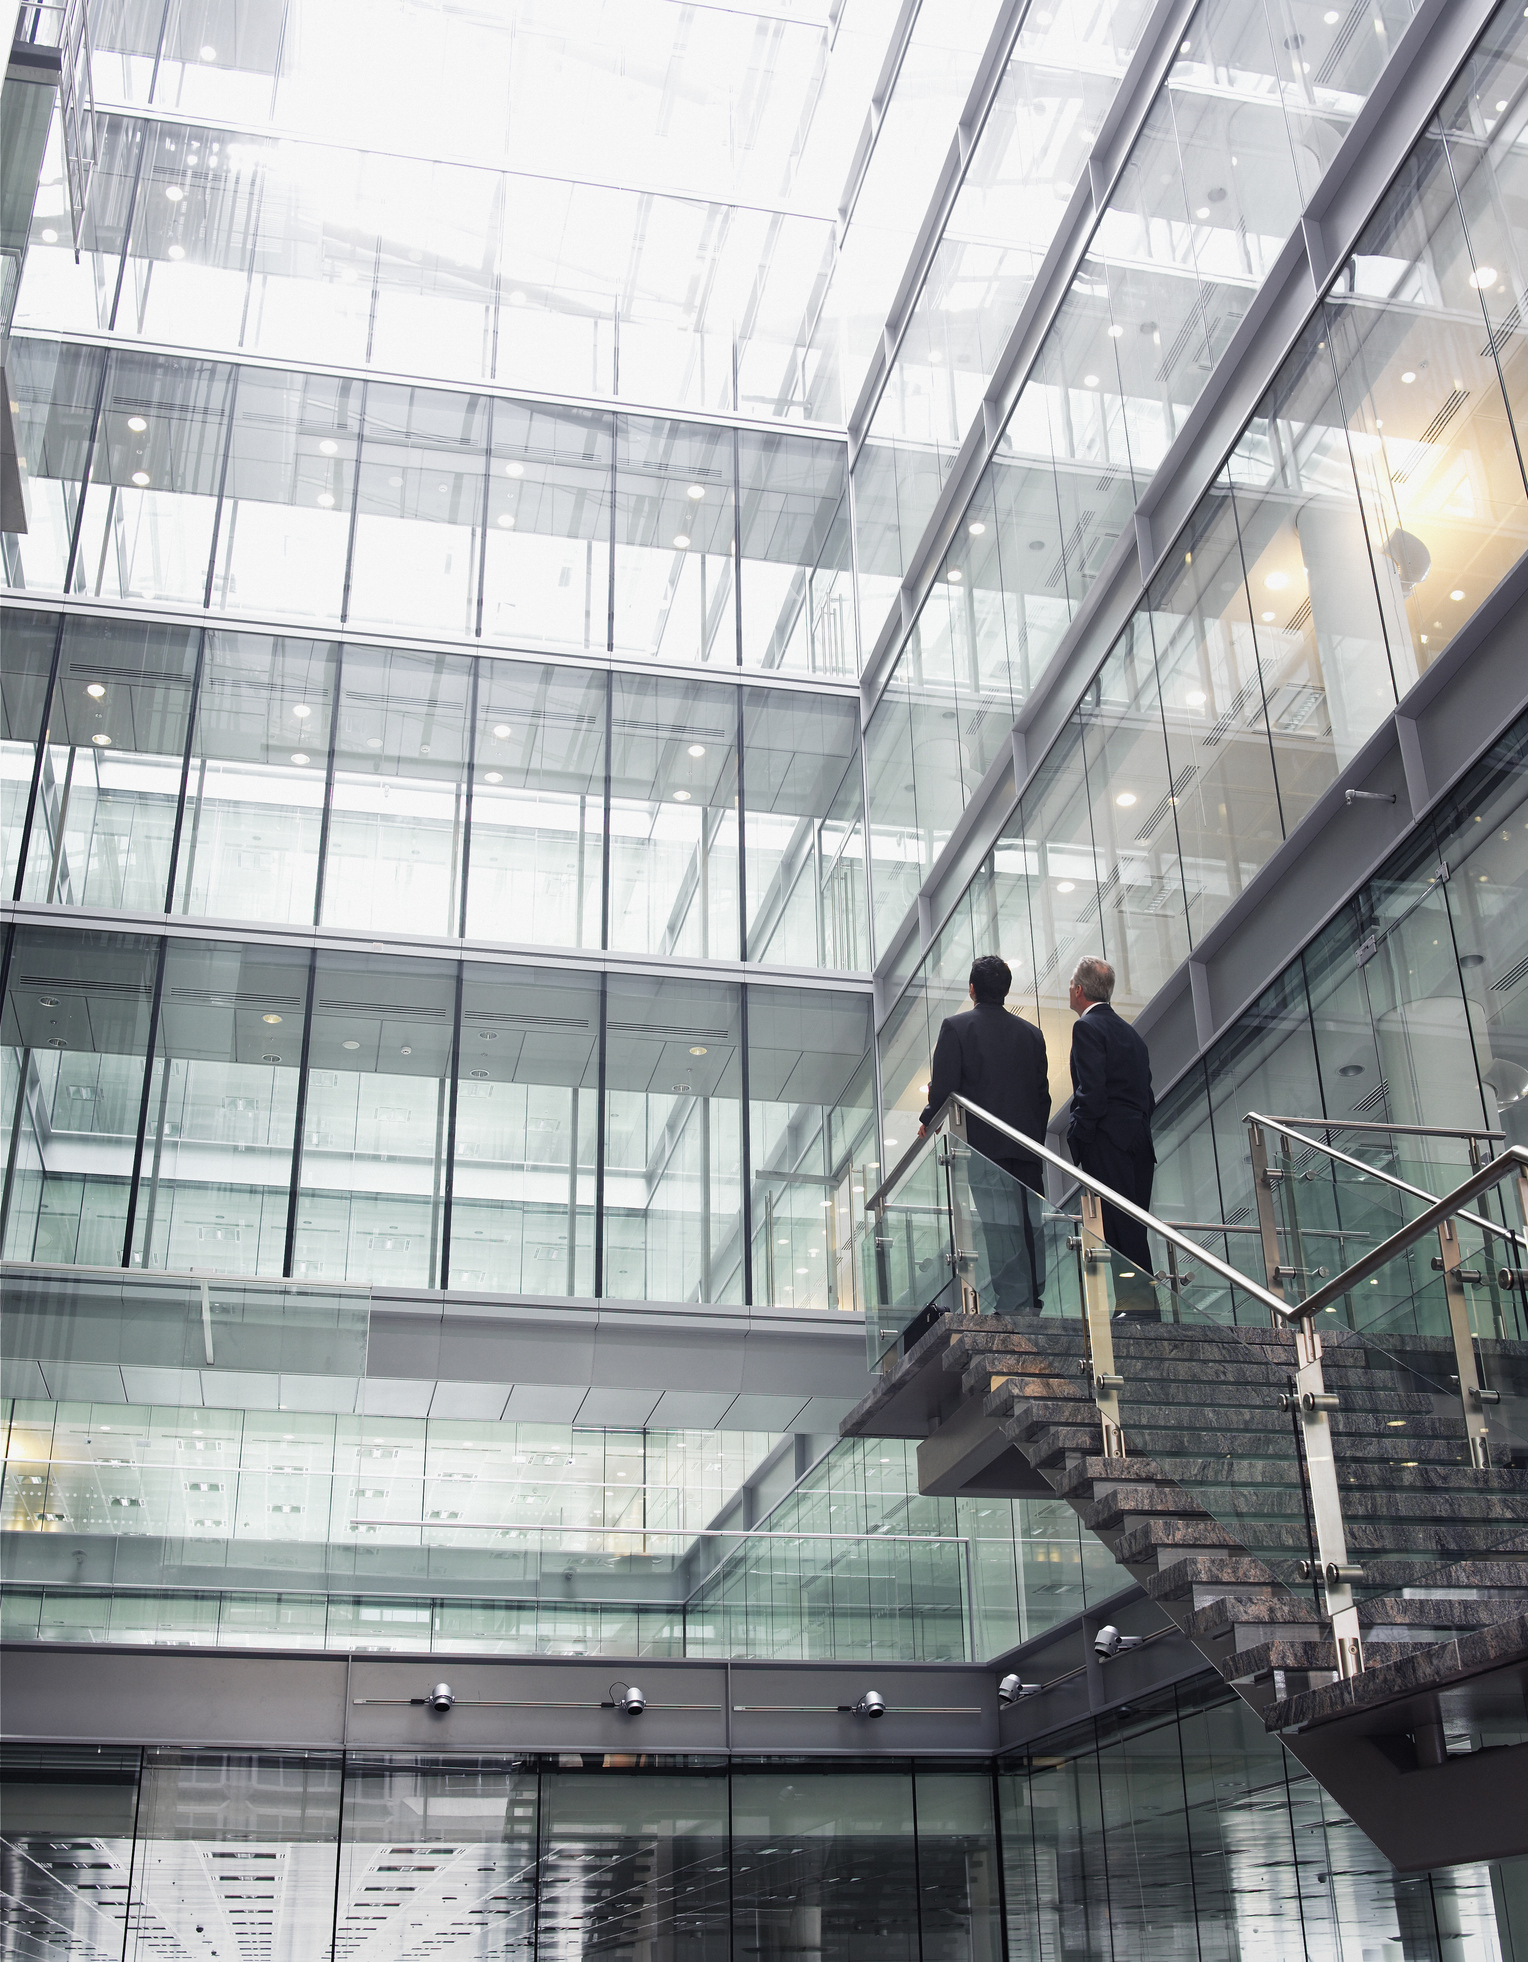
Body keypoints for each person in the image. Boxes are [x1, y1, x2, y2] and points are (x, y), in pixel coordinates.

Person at [918, 954, 1050, 1315]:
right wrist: (1034, 1139)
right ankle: (1032, 1300)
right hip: (1027, 1148)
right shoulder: (1032, 1034)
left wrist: (929, 1118)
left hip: (984, 1147)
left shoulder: (957, 1027)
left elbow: (944, 1087)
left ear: (972, 989)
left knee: (999, 1225)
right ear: (1005, 989)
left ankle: (1013, 1305)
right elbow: (1043, 1096)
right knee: (1030, 1224)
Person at [1065, 956, 1158, 1319]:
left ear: (1079, 990)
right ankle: (1140, 1307)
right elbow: (1147, 1095)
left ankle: (1137, 1309)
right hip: (1139, 1141)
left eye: (1070, 985)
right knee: (1132, 1225)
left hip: (1108, 1140)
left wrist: (1079, 1135)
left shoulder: (1086, 1028)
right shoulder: (1131, 1034)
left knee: (1118, 1228)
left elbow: (1091, 1092)